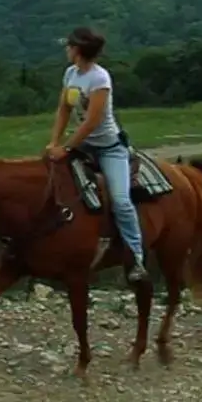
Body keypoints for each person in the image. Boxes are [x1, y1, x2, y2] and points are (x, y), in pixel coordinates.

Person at [46, 26, 147, 283]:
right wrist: (53, 143)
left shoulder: (99, 79)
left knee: (121, 200)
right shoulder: (70, 73)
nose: (66, 50)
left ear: (78, 50)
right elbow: (63, 110)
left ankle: (136, 257)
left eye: (69, 46)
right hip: (82, 145)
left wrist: (66, 148)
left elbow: (92, 121)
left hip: (108, 148)